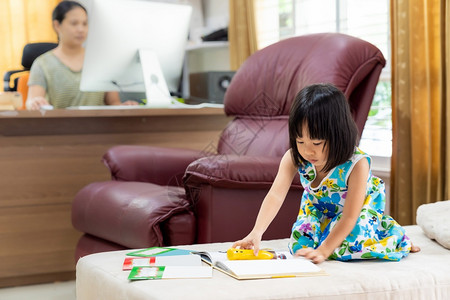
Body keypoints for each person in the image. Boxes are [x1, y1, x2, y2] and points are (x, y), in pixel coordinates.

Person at [232, 83, 420, 263]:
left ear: (338, 134)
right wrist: (256, 232)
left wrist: (324, 250)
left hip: (356, 211)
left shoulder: (357, 164)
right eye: (300, 141)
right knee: (299, 248)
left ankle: (395, 236)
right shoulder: (293, 157)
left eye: (316, 143)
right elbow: (275, 195)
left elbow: (349, 217)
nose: (308, 151)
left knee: (348, 248)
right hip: (318, 209)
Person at [26, 0, 138, 110]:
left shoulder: (99, 61)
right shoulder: (42, 64)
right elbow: (33, 101)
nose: (81, 29)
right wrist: (35, 102)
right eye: (74, 23)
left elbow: (113, 102)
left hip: (98, 126)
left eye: (85, 23)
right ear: (57, 25)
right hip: (61, 126)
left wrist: (125, 107)